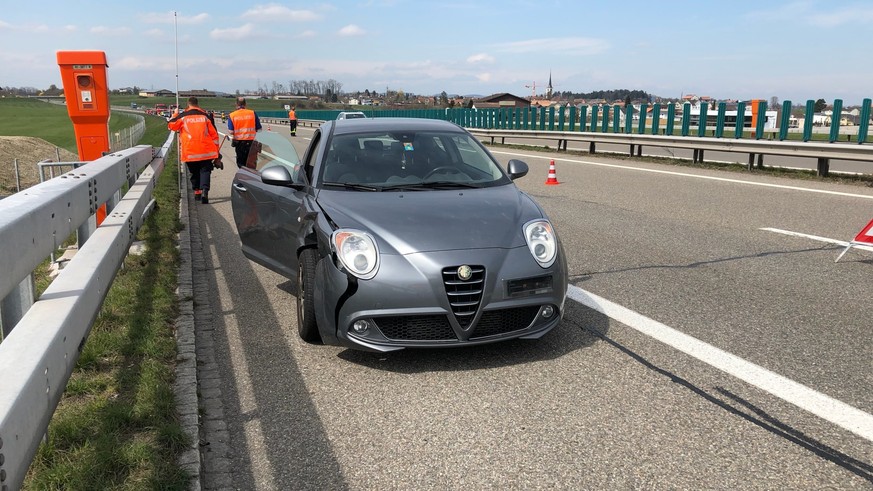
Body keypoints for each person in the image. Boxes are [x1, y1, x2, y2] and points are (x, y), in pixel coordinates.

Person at [167, 96, 220, 204]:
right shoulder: (205, 116)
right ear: (197, 104)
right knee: (205, 171)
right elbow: (214, 136)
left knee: (194, 172)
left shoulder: (183, 117)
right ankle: (205, 191)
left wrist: (175, 114)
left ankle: (197, 193)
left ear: (188, 104)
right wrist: (216, 152)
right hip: (206, 151)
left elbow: (171, 126)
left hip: (190, 151)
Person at [227, 97, 262, 168]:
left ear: (236, 104)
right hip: (251, 142)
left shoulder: (232, 115)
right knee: (251, 162)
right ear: (245, 104)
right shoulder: (252, 113)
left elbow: (231, 131)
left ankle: (243, 176)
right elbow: (259, 129)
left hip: (239, 143)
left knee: (241, 163)